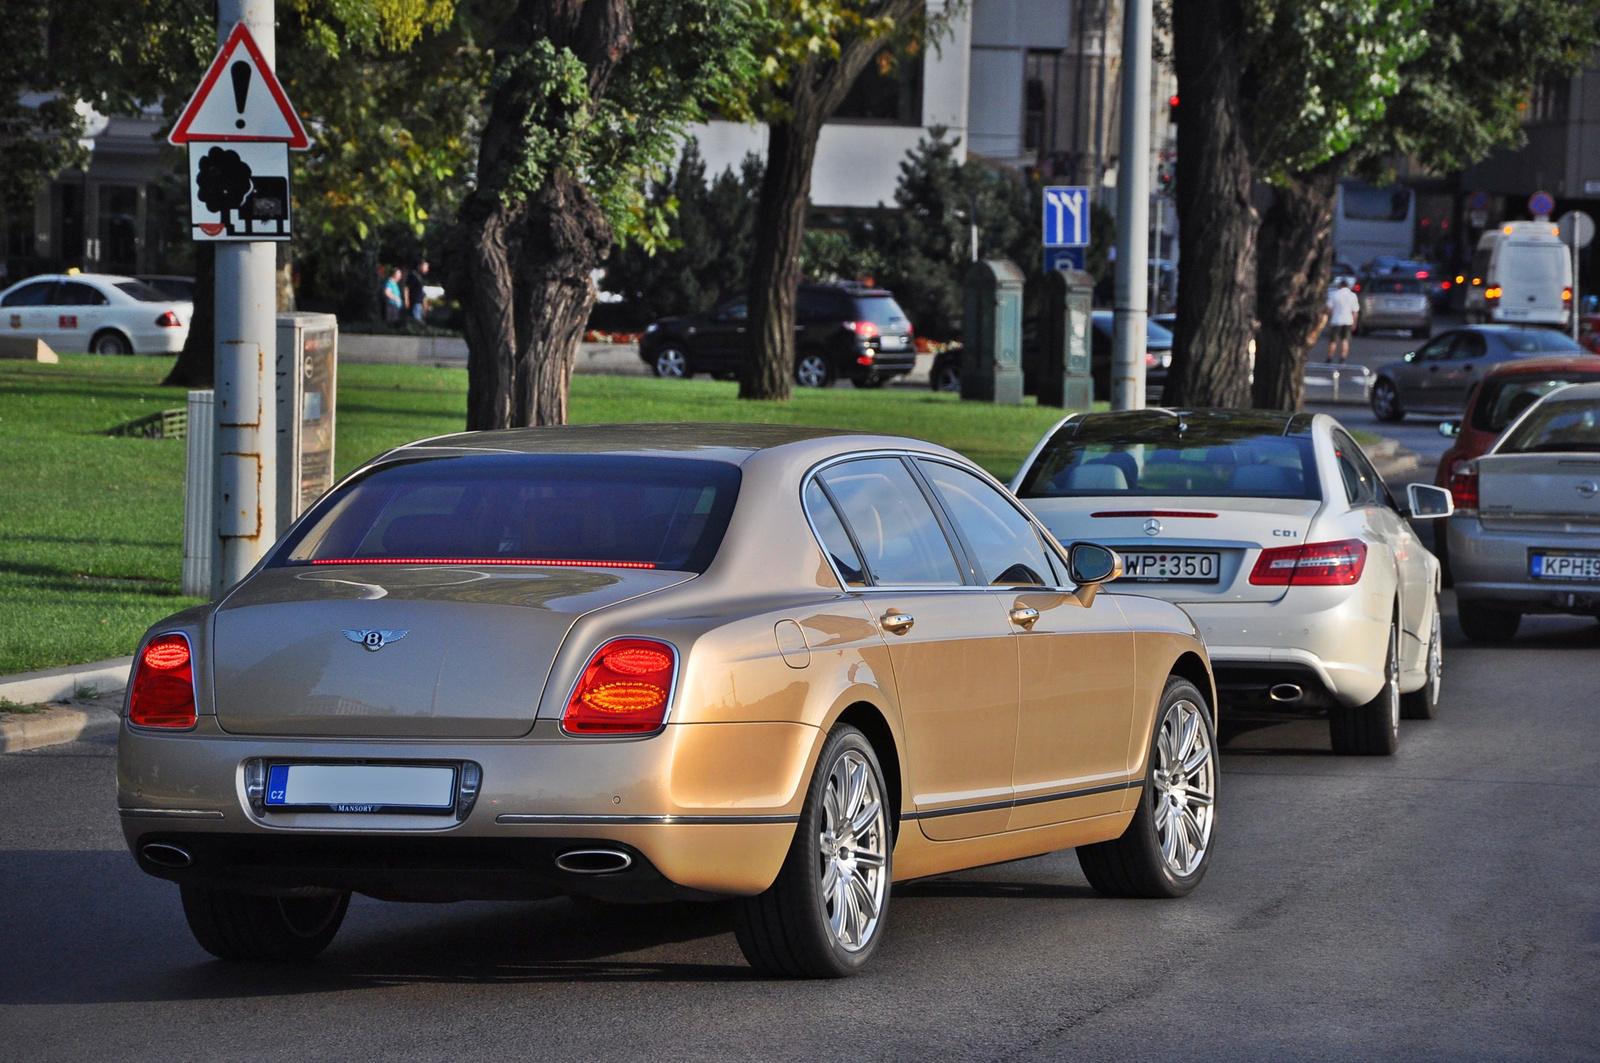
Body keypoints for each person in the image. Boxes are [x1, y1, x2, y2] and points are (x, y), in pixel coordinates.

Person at [1326, 277, 1360, 363]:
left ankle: (1330, 357)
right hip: (1348, 320)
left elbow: (1329, 309)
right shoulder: (1352, 295)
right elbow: (1355, 311)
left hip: (1336, 320)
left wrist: (1328, 319)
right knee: (1345, 340)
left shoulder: (1335, 294)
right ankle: (1342, 358)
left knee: (1333, 340)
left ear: (1340, 285)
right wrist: (1354, 323)